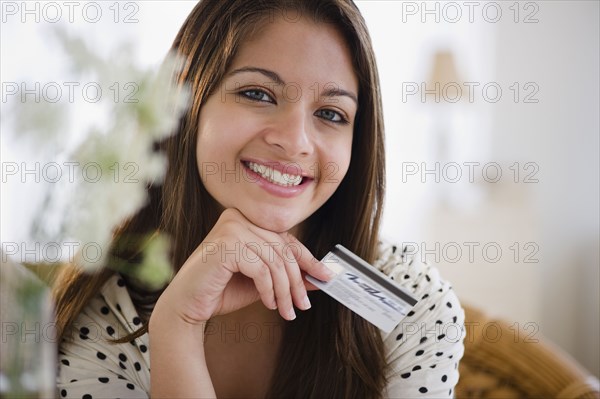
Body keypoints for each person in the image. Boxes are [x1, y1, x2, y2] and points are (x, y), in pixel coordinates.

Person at [53, 0, 465, 398]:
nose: (294, 142)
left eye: (330, 114)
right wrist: (177, 327)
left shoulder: (411, 309)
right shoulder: (103, 309)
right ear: (185, 105)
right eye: (258, 94)